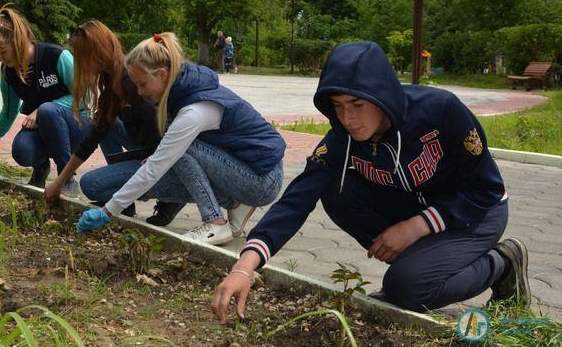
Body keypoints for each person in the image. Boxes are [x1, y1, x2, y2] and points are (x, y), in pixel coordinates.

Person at [212, 41, 530, 322]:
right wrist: (244, 268)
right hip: (420, 210)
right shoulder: (342, 138)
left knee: (405, 288)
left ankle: (502, 263)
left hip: (476, 212)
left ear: (382, 95)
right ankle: (420, 265)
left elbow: (486, 187)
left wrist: (418, 226)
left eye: (357, 104)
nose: (347, 118)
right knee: (335, 192)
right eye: (337, 106)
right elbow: (296, 200)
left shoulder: (441, 111)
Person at [74, 31, 286, 246]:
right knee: (168, 164)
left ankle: (215, 222)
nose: (139, 92)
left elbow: (157, 166)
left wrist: (107, 211)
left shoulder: (194, 110)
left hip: (262, 180)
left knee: (178, 151)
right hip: (246, 170)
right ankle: (235, 203)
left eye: (142, 84)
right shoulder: (181, 91)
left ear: (162, 74)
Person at [44, 20, 186, 226]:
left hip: (162, 158)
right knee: (105, 123)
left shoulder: (131, 81)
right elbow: (93, 137)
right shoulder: (112, 82)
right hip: (147, 149)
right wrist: (60, 182)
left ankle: (169, 198)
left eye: (80, 57)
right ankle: (125, 198)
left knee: (91, 184)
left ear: (96, 54)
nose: (77, 63)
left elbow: (160, 123)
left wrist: (156, 156)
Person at [0, 6, 120, 193]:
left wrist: (45, 108)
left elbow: (85, 97)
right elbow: (9, 110)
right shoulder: (7, 72)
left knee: (47, 111)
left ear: (18, 41)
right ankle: (41, 168)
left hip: (77, 125)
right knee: (21, 150)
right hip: (45, 128)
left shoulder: (56, 56)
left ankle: (66, 177)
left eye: (2, 52)